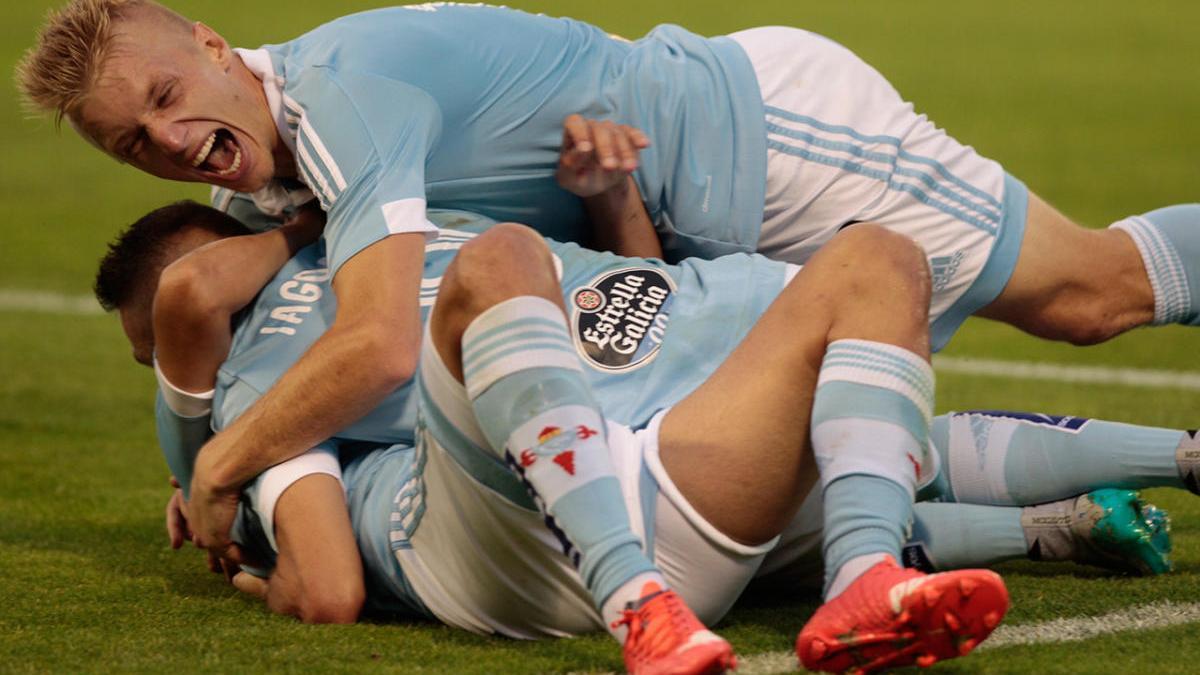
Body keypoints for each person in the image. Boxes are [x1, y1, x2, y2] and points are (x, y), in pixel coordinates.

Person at [18, 1, 1200, 565]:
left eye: (168, 99)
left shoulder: (340, 101)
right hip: (661, 240)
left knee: (1094, 295)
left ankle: (891, 567)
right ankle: (1021, 538)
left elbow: (377, 349)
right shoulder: (259, 188)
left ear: (217, 46)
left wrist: (222, 464)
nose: (167, 144)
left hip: (766, 144)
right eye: (133, 144)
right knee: (792, 440)